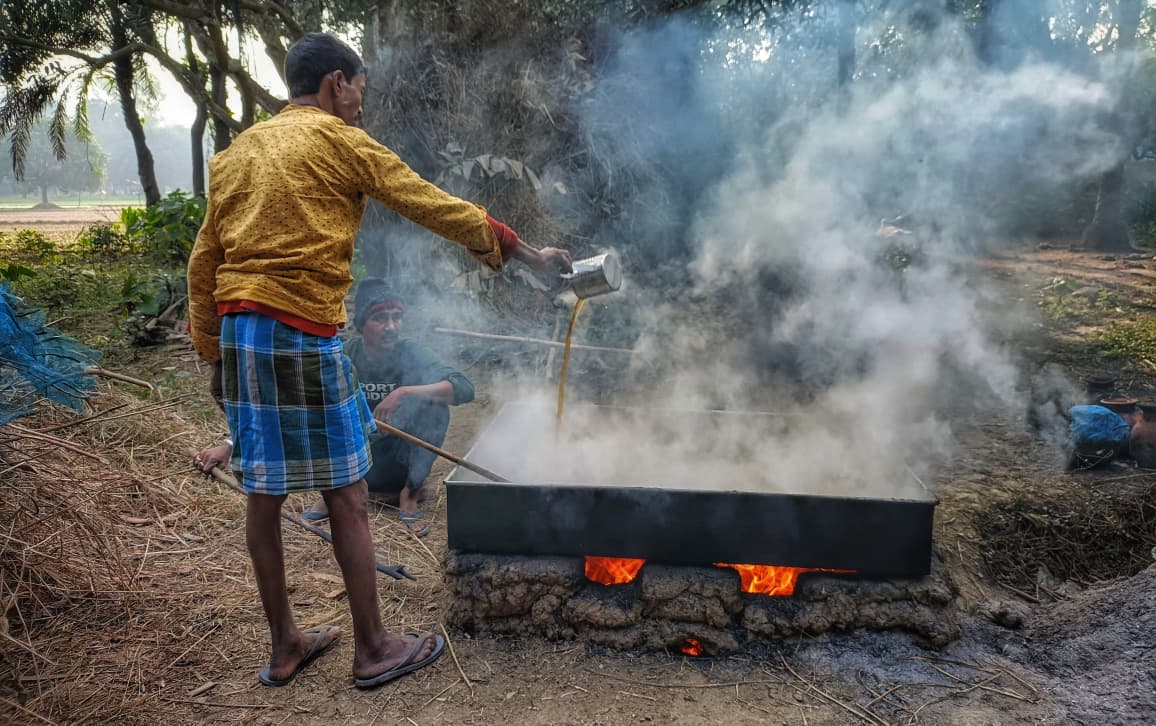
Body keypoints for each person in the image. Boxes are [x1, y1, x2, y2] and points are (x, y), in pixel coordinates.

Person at [187, 32, 571, 689]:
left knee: (264, 495)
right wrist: (524, 251)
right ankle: (374, 649)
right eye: (359, 89)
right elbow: (430, 203)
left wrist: (212, 357)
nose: (361, 103)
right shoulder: (339, 141)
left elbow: (204, 262)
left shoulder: (237, 153)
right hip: (305, 329)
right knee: (348, 494)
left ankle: (285, 646)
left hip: (241, 333)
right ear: (337, 83)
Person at [202, 279, 473, 536]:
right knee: (318, 403)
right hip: (357, 465)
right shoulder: (343, 354)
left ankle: (410, 495)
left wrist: (403, 392)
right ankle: (329, 496)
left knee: (435, 406)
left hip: (404, 462)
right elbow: (290, 400)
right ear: (361, 325)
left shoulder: (411, 352)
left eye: (396, 317)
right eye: (380, 318)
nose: (391, 326)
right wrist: (230, 443)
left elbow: (463, 388)